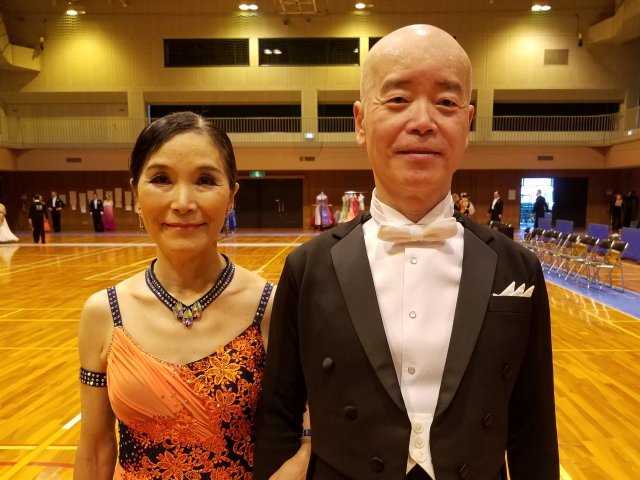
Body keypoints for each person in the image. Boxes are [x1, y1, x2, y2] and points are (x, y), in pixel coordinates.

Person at [254, 24, 558, 480]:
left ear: (467, 124)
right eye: (398, 99)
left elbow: (533, 429)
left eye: (446, 102)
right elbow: (278, 415)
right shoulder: (308, 267)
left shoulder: (518, 268)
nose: (423, 121)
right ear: (361, 122)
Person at [74, 112, 309, 480]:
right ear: (136, 193)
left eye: (205, 180)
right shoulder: (103, 313)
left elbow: (308, 431)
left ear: (231, 197)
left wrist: (302, 458)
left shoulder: (272, 307)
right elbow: (95, 451)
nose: (183, 202)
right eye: (161, 179)